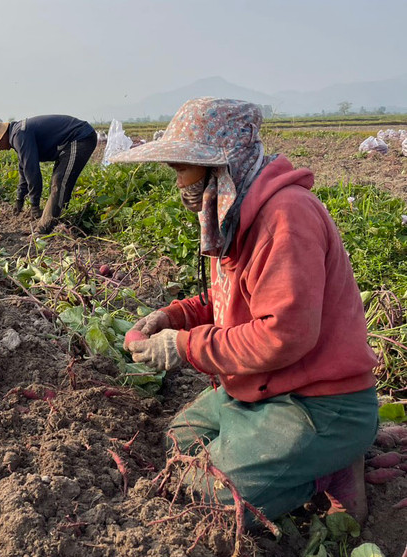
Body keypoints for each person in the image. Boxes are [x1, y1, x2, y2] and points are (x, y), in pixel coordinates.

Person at [110, 97, 379, 525]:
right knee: (177, 444)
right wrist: (174, 318)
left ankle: (331, 467)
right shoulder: (231, 214)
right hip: (261, 390)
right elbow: (230, 299)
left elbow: (283, 333)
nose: (178, 183)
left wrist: (185, 346)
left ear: (221, 166)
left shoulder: (286, 217)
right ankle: (276, 454)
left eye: (182, 169)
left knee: (205, 499)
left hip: (321, 404)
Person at [0, 115, 97, 234]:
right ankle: (57, 219)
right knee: (57, 183)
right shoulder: (17, 133)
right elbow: (24, 169)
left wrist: (34, 204)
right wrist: (19, 199)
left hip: (80, 137)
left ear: (1, 137)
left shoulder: (19, 135)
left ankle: (46, 227)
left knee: (60, 182)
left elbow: (32, 171)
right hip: (70, 143)